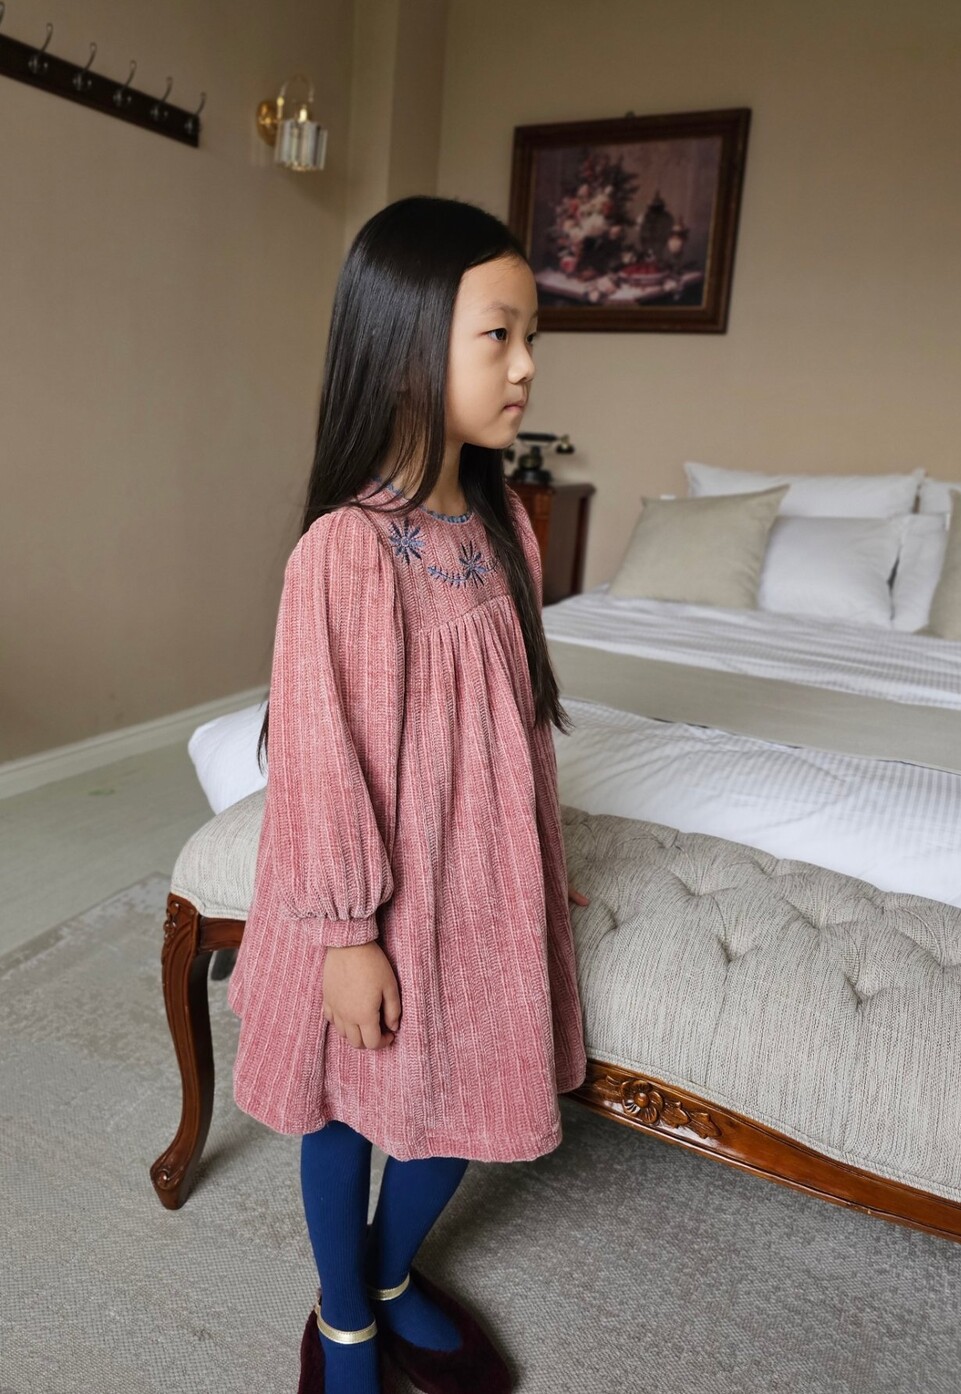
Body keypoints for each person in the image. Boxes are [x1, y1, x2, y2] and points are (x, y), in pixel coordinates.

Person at [227, 194, 591, 1394]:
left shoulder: (503, 526)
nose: (526, 365)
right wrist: (343, 934)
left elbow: (517, 727)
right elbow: (320, 755)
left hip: (474, 883)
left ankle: (388, 1272)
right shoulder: (347, 549)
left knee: (470, 1095)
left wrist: (537, 859)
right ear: (402, 350)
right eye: (498, 335)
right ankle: (343, 1320)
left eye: (530, 336)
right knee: (340, 1105)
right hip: (366, 899)